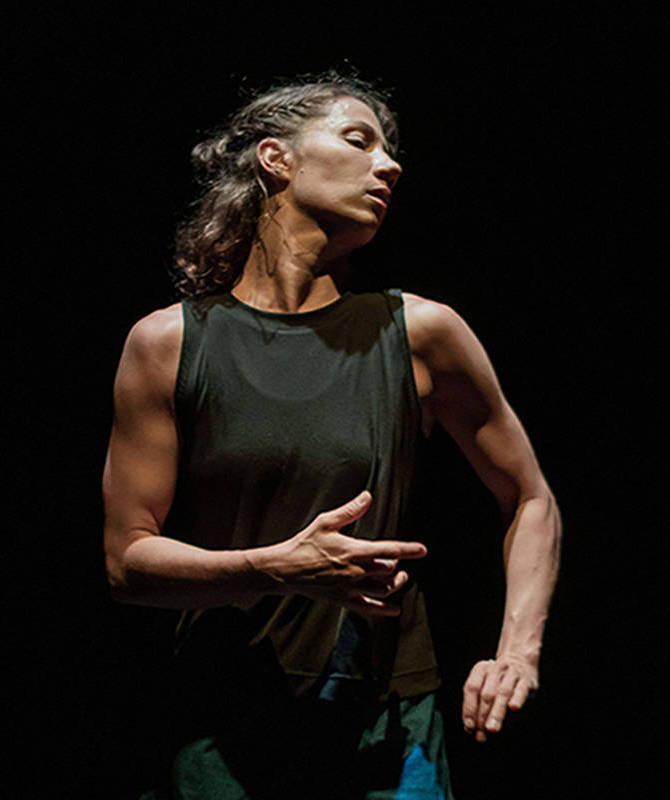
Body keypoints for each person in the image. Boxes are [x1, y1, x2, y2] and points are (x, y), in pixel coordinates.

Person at [101, 70, 561, 799]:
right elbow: (127, 560)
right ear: (275, 157)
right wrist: (277, 566)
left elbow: (531, 499)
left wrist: (518, 654)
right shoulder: (169, 344)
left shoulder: (419, 333)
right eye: (359, 140)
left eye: (390, 152)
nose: (390, 165)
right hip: (223, 725)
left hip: (385, 726)